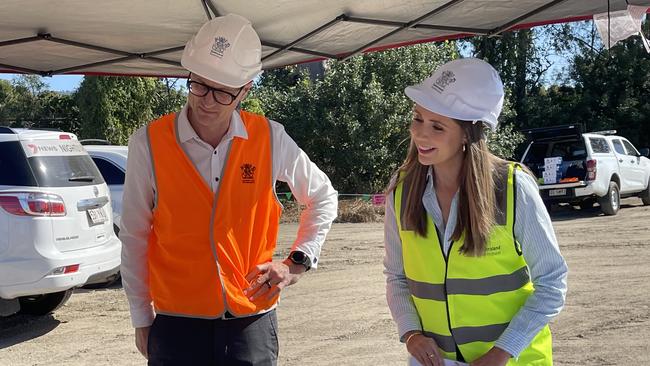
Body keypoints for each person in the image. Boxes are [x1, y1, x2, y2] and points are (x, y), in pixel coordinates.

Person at [119, 13, 338, 365]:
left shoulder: (269, 137)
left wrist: (296, 263)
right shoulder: (148, 143)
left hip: (250, 319)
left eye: (222, 93)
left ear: (245, 90)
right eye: (199, 85)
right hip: (177, 321)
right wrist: (141, 316)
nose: (206, 100)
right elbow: (134, 235)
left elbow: (323, 196)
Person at [383, 58, 568, 366]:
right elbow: (396, 276)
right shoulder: (401, 191)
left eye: (437, 126)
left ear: (468, 134)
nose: (420, 135)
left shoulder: (512, 188)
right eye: (417, 119)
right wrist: (411, 333)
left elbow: (552, 282)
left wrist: (501, 352)